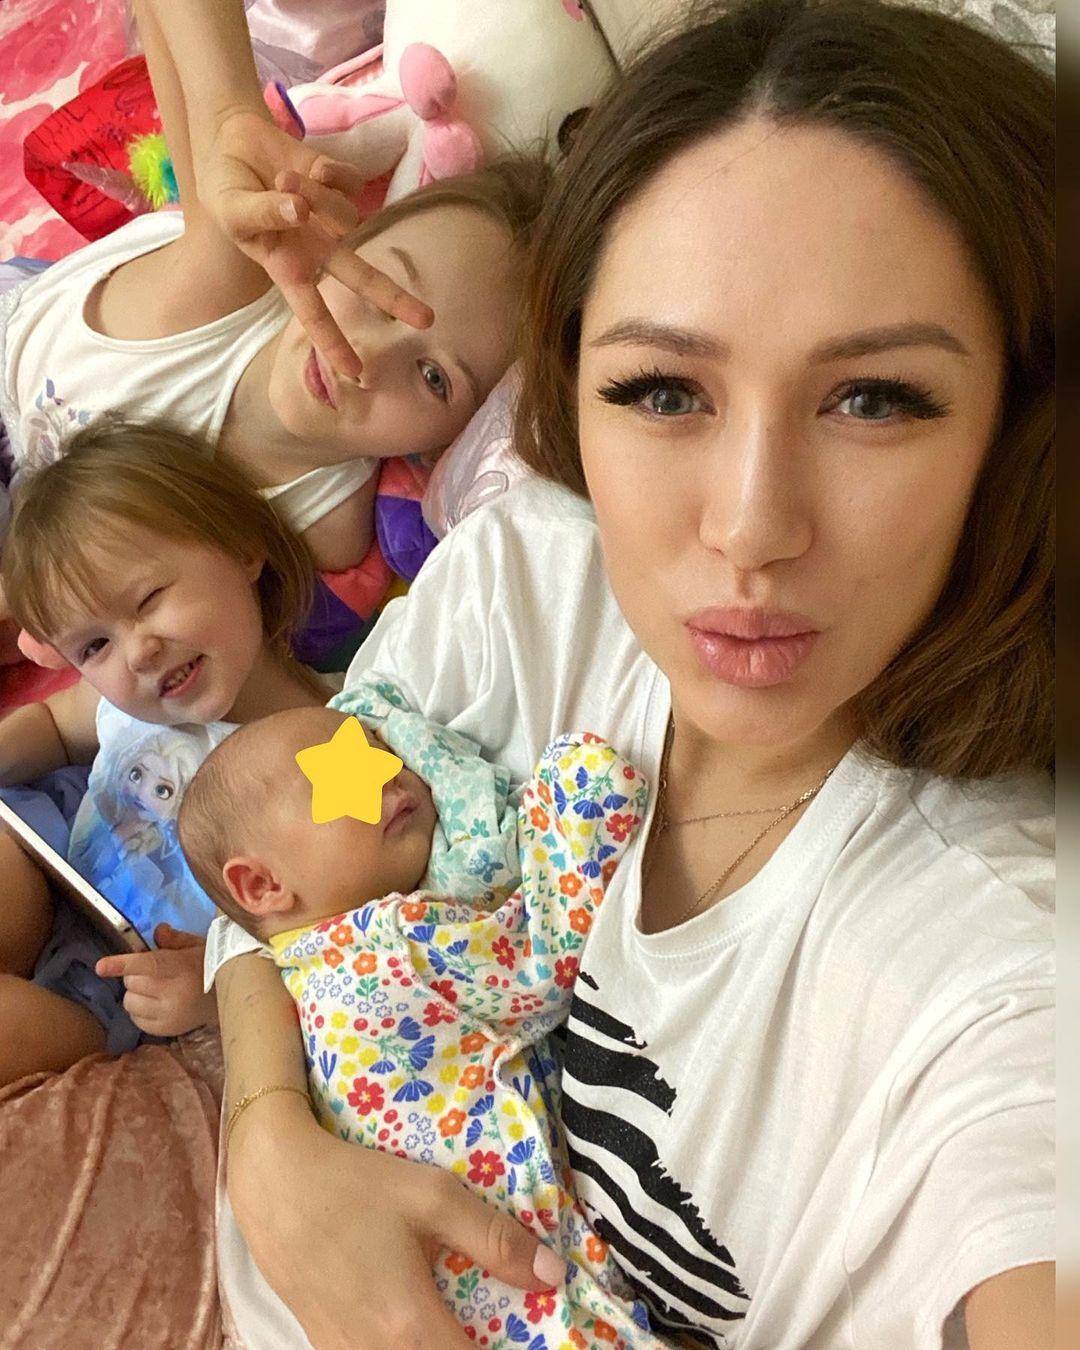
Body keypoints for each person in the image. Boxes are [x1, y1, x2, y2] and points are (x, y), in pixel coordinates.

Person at [209, 1, 1054, 1347]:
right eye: (663, 389)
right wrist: (269, 1146)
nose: (751, 527)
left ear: (1017, 432)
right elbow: (266, 880)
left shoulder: (999, 964)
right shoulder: (522, 582)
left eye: (875, 398)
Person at [0, 0, 547, 587]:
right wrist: (229, 114)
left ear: (453, 441)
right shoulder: (222, 277)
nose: (363, 359)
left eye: (434, 378)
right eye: (381, 291)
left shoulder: (324, 533)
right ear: (344, 240)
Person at [180, 698, 658, 1346]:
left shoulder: (297, 980)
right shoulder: (395, 942)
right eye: (343, 773)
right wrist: (578, 786)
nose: (392, 774)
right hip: (520, 1293)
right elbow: (540, 963)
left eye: (383, 753)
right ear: (262, 887)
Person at [0, 420, 326, 1084]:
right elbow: (52, 724)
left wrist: (219, 989)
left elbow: (330, 939)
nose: (139, 653)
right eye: (95, 646)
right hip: (51, 863)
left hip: (121, 990)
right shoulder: (124, 706)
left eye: (148, 600)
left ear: (242, 546)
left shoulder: (331, 745)